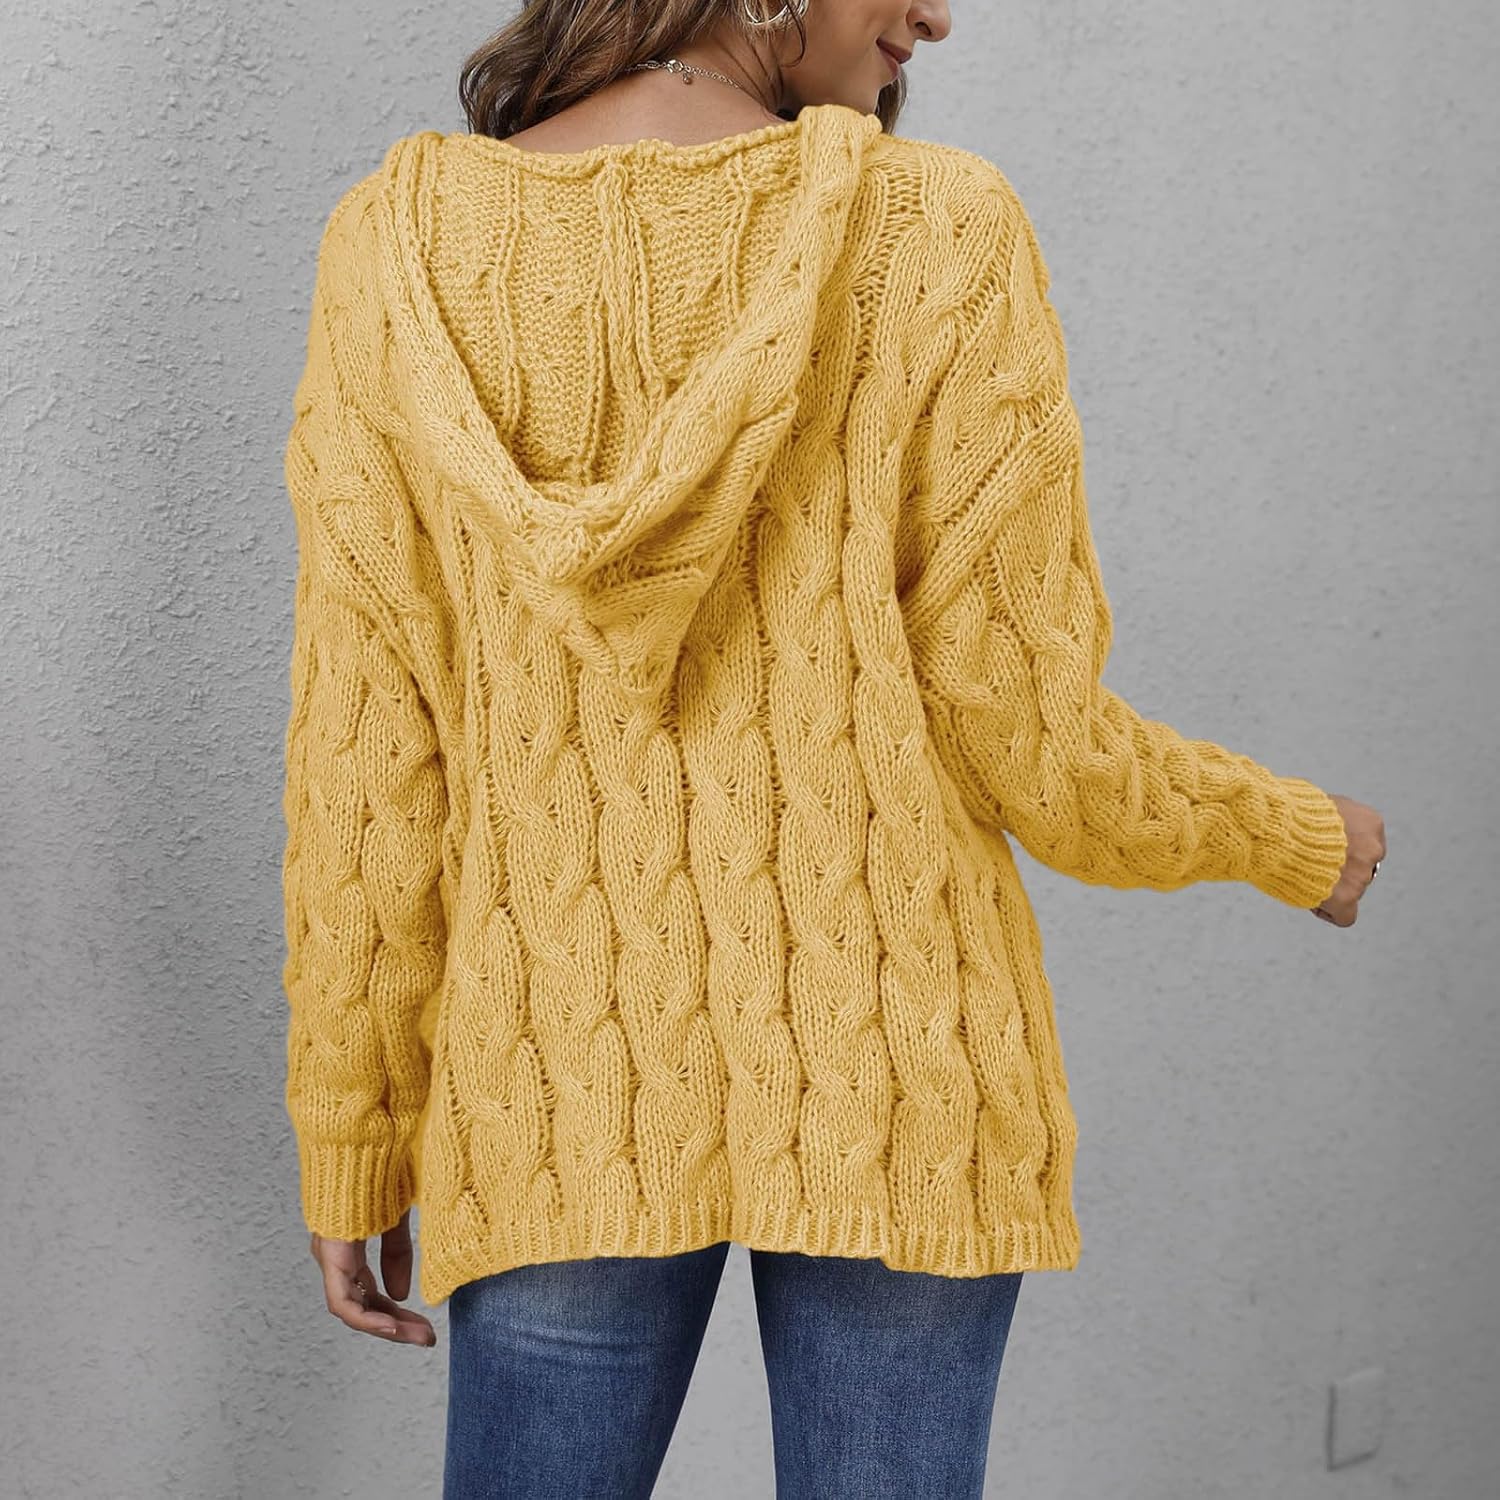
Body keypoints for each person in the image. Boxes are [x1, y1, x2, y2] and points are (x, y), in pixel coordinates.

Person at [277, 2, 1387, 1495]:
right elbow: (1030, 733)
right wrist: (1289, 831)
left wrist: (355, 1127)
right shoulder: (938, 229)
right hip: (902, 1066)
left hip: (556, 1086)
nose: (937, 15)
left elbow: (367, 758)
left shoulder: (396, 252)